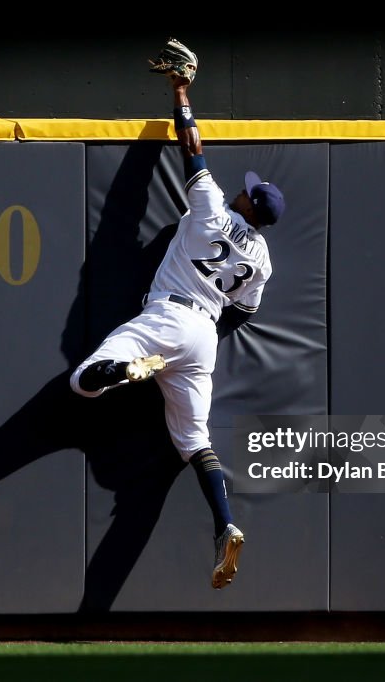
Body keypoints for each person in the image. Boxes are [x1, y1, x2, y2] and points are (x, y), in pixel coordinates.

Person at [69, 66, 285, 590]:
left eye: (246, 192)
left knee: (82, 381)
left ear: (246, 205)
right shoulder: (262, 260)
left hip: (167, 316)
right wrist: (206, 333)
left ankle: (121, 369)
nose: (241, 189)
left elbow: (191, 145)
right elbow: (247, 312)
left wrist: (181, 91)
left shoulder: (212, 207)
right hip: (206, 335)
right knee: (193, 441)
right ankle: (224, 523)